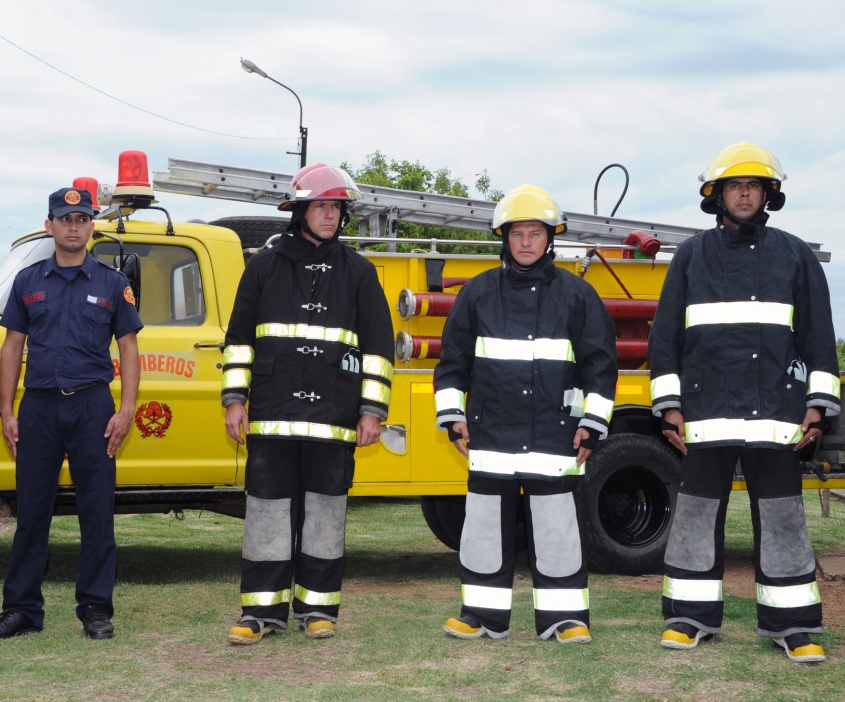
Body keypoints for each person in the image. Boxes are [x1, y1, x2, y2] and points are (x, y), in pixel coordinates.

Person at [648, 142, 841, 664]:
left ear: (768, 195)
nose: (745, 194)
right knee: (694, 520)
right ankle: (688, 619)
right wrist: (669, 406)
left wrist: (818, 405)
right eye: (735, 186)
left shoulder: (795, 254)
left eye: (754, 186)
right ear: (717, 195)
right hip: (705, 415)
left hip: (777, 417)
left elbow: (819, 338)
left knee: (782, 522)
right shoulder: (691, 256)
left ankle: (793, 625)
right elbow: (665, 338)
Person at [433, 185, 618, 642]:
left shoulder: (578, 295)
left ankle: (565, 619)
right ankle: (481, 614)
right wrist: (452, 415)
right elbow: (452, 362)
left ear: (550, 238)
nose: (527, 242)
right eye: (518, 233)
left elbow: (601, 365)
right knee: (482, 531)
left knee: (557, 531)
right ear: (504, 237)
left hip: (553, 437)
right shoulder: (476, 293)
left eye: (536, 233)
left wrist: (592, 424)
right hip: (490, 435)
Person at [222, 163, 394, 645]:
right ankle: (260, 613)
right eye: (321, 205)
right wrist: (235, 399)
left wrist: (372, 410)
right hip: (273, 415)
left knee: (325, 515)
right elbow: (238, 341)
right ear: (299, 210)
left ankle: (318, 610)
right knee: (267, 514)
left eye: (336, 207)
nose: (330, 215)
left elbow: (378, 348)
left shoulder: (359, 272)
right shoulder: (263, 266)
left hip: (334, 418)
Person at [0, 187, 142, 640]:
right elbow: (12, 348)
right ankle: (21, 609)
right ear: (50, 225)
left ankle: (96, 609)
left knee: (97, 512)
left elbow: (130, 348)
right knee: (33, 513)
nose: (74, 226)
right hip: (38, 406)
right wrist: (6, 409)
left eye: (82, 218)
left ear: (91, 225)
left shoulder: (113, 284)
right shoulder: (27, 282)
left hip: (92, 407)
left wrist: (126, 410)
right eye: (65, 218)